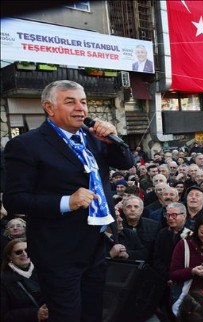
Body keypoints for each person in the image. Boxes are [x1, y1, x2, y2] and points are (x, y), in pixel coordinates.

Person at [3, 80, 135, 321]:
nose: (80, 108)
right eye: (70, 101)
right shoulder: (25, 145)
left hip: (96, 246)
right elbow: (15, 200)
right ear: (49, 108)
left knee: (94, 313)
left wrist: (114, 138)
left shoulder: (93, 137)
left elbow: (126, 163)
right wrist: (66, 202)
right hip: (58, 253)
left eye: (83, 102)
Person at [1, 238, 48, 322]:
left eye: (27, 250)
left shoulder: (45, 271)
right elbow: (3, 315)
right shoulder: (3, 280)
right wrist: (35, 314)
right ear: (10, 257)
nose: (24, 254)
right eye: (18, 252)